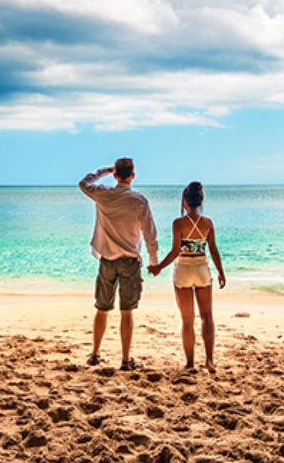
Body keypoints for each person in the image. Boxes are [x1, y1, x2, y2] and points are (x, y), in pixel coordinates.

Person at [78, 157, 159, 371]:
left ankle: (95, 354)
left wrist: (104, 169)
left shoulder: (103, 194)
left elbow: (84, 183)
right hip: (130, 261)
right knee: (127, 312)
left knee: (102, 309)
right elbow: (150, 234)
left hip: (107, 260)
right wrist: (154, 262)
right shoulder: (139, 200)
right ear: (132, 176)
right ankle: (125, 360)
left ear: (115, 175)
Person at [149, 181, 226, 372]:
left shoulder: (178, 223)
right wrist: (221, 272)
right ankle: (209, 361)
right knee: (207, 317)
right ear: (200, 202)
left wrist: (159, 267)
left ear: (185, 201)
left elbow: (175, 251)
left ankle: (190, 363)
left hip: (183, 269)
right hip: (201, 269)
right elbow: (214, 251)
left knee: (187, 321)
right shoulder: (207, 223)